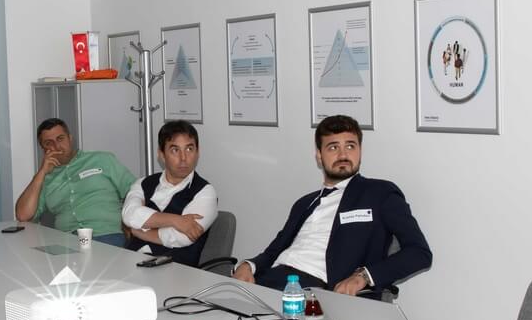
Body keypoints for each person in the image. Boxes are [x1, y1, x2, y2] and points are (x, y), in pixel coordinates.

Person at [232, 115, 431, 295]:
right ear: (319, 155)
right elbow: (273, 251)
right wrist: (248, 266)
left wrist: (363, 276)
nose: (343, 155)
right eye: (333, 147)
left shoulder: (379, 193)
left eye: (350, 146)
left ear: (360, 151)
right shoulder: (304, 203)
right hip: (271, 282)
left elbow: (419, 253)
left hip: (317, 291)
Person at [15, 118, 136, 246]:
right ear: (43, 149)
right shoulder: (45, 179)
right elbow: (23, 215)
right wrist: (41, 173)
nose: (56, 146)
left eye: (60, 139)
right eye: (49, 143)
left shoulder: (102, 159)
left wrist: (128, 222)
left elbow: (136, 191)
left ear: (70, 138)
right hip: (66, 240)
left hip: (105, 234)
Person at [121, 120, 218, 266]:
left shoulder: (206, 192)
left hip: (175, 269)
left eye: (189, 149)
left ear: (197, 152)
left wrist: (138, 231)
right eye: (175, 150)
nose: (183, 158)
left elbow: (182, 237)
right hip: (131, 261)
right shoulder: (143, 183)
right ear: (161, 154)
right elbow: (129, 215)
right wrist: (176, 220)